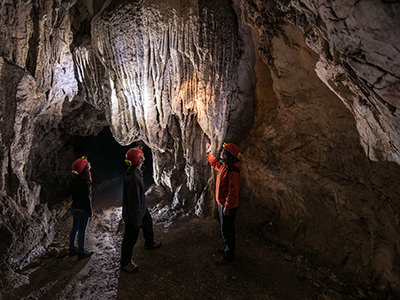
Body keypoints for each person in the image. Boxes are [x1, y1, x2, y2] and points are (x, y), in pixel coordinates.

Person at [119, 147, 161, 273]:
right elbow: (134, 201)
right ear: (138, 160)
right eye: (142, 157)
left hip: (141, 209)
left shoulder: (134, 171)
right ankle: (125, 263)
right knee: (130, 238)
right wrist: (136, 220)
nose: (144, 158)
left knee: (148, 222)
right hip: (134, 213)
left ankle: (149, 242)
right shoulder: (134, 178)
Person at [206, 142, 241, 263]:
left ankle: (228, 255)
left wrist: (227, 207)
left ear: (229, 155)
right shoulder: (225, 166)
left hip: (228, 206)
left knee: (227, 230)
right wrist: (209, 152)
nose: (221, 153)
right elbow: (215, 164)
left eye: (224, 152)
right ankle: (227, 249)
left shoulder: (233, 171)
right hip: (222, 203)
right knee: (225, 228)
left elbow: (233, 192)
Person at [69, 156, 94, 260]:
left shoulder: (75, 179)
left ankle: (71, 249)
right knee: (82, 231)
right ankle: (81, 252)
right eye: (87, 164)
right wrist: (90, 211)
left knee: (74, 228)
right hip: (82, 210)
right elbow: (86, 198)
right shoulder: (85, 182)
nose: (89, 164)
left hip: (74, 208)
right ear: (84, 169)